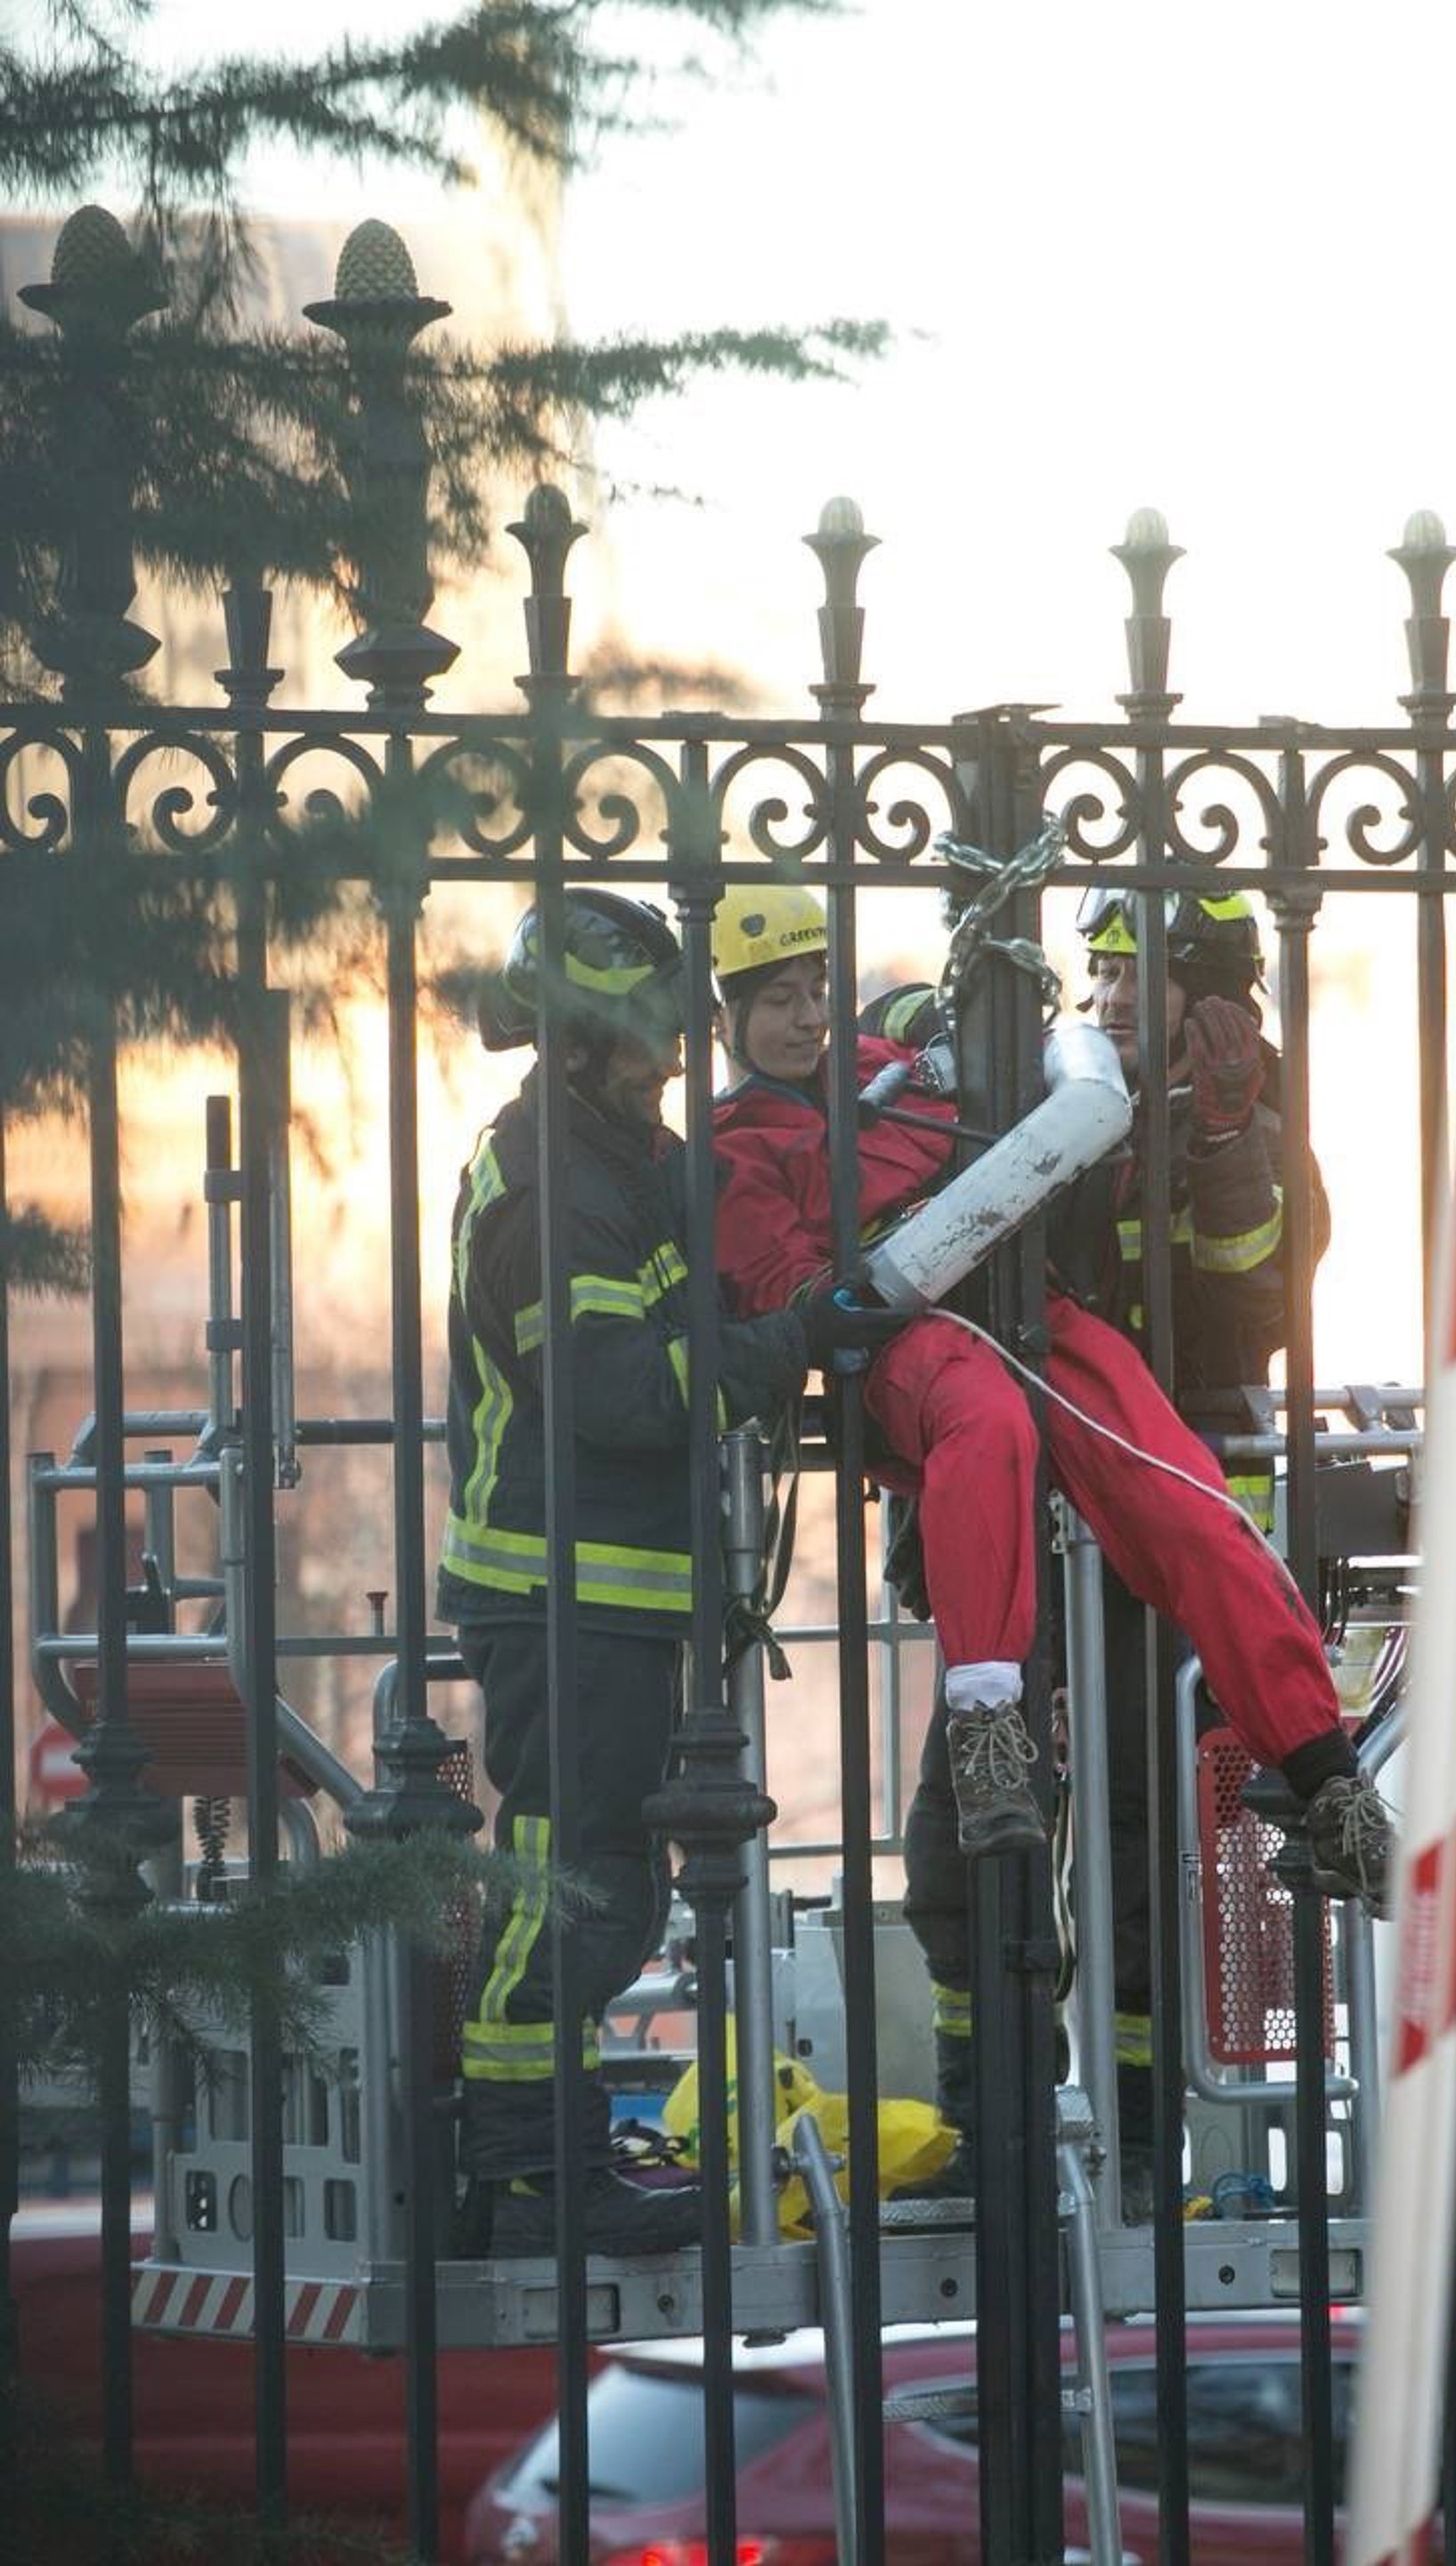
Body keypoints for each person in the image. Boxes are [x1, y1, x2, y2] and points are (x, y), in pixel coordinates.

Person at [709, 880, 1387, 1908]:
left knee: (1180, 1494)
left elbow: (1256, 1287)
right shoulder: (744, 1142)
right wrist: (833, 1301)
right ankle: (988, 1730)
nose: (807, 1018)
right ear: (724, 1016)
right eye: (779, 1000)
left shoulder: (904, 1072)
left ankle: (1325, 1776)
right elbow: (779, 1283)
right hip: (914, 1343)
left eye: (816, 991)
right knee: (982, 1419)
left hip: (1035, 1318)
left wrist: (1224, 1136)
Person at [439, 888, 902, 2258]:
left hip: (618, 1595)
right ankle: (529, 2176)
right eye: (647, 1029)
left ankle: (556, 2155)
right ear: (579, 1038)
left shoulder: (628, 1157)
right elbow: (627, 1393)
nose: (674, 1050)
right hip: (560, 1595)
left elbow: (714, 1250)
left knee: (609, 1887)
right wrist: (796, 1337)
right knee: (571, 1887)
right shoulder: (551, 1187)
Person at [880, 881, 1335, 2208]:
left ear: (1219, 993)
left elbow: (1253, 1304)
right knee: (967, 1833)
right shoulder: (1037, 1091)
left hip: (1154, 1559)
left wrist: (1225, 1138)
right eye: (1105, 966)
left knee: (1140, 1861)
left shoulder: (1258, 1127)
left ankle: (1136, 2153)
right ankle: (990, 2134)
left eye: (1148, 969)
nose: (1117, 993)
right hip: (1019, 1532)